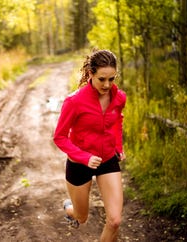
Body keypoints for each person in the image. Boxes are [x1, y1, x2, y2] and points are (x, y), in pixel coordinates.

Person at [53, 49, 126, 241]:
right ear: (91, 74)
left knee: (115, 221)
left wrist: (118, 147)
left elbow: (117, 121)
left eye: (111, 79)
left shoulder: (119, 98)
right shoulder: (74, 101)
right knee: (82, 217)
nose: (107, 84)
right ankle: (70, 209)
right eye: (102, 79)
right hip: (79, 164)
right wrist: (85, 157)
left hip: (108, 160)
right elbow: (59, 137)